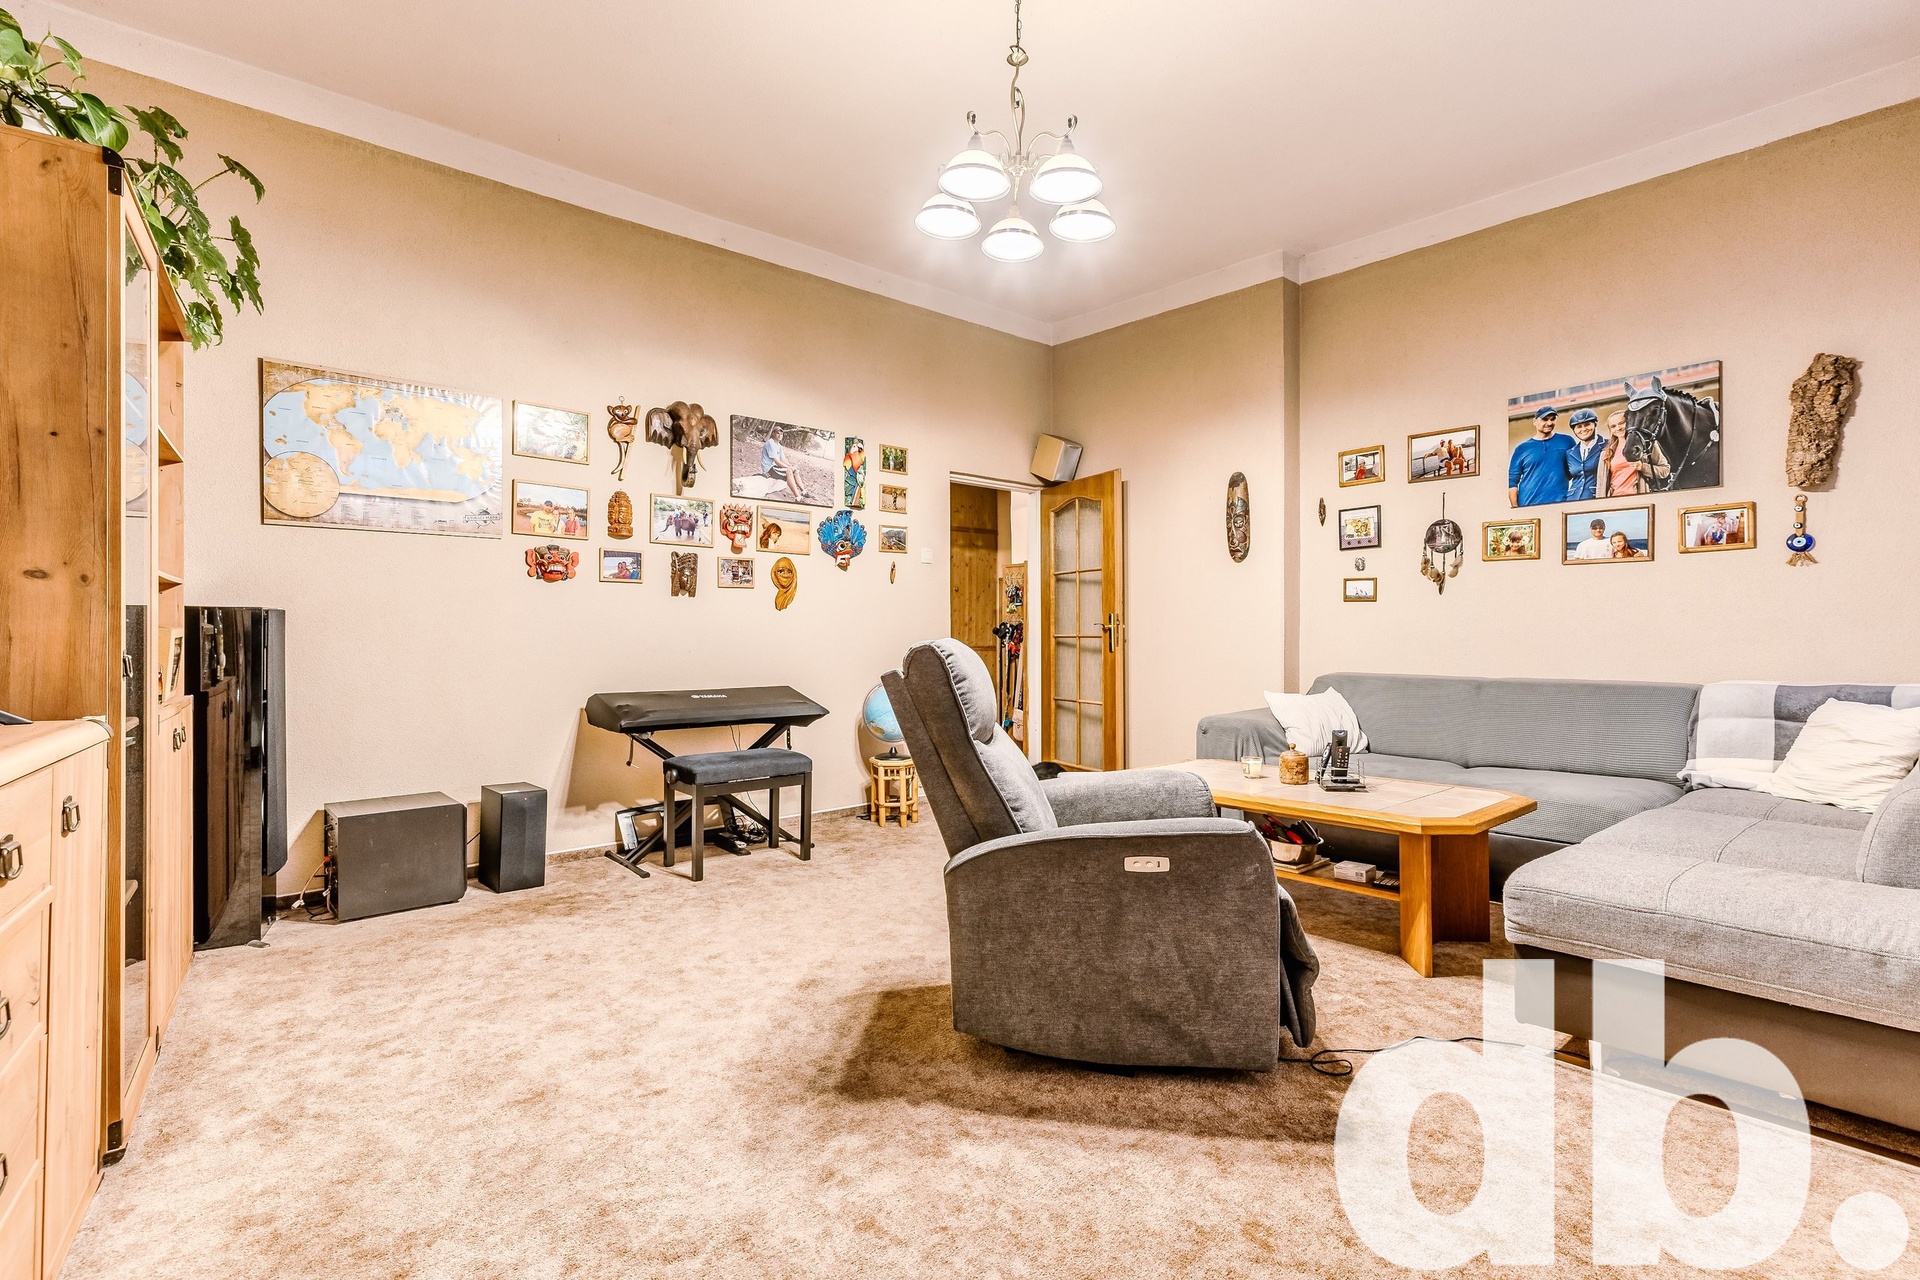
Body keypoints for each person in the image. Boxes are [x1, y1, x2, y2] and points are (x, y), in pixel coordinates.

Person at [1508, 406, 1575, 507]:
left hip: (1559, 503)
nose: (1549, 423)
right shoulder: (1522, 449)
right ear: (1535, 421)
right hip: (1528, 504)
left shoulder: (1567, 441)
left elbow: (1576, 469)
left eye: (1552, 419)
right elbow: (1512, 480)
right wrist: (1515, 508)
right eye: (1545, 419)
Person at [1597, 407, 1670, 496]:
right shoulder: (1606, 453)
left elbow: (1665, 470)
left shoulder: (1648, 444)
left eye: (1621, 423)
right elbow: (1600, 485)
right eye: (1613, 426)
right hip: (1614, 499)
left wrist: (1642, 467)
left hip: (1639, 497)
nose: (1618, 428)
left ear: (1630, 423)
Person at [1563, 408, 1605, 500]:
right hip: (1573, 500)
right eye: (1579, 427)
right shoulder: (1570, 453)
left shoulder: (1607, 445)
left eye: (1587, 424)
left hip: (1596, 498)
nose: (1583, 429)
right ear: (1574, 430)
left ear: (1595, 424)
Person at [760, 425, 805, 502]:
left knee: (795, 471)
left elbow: (783, 459)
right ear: (773, 433)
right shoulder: (770, 443)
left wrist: (791, 466)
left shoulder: (779, 446)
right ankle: (798, 497)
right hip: (769, 469)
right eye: (778, 433)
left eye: (781, 434)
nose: (780, 435)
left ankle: (804, 491)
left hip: (775, 468)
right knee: (789, 471)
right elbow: (776, 461)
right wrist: (789, 468)